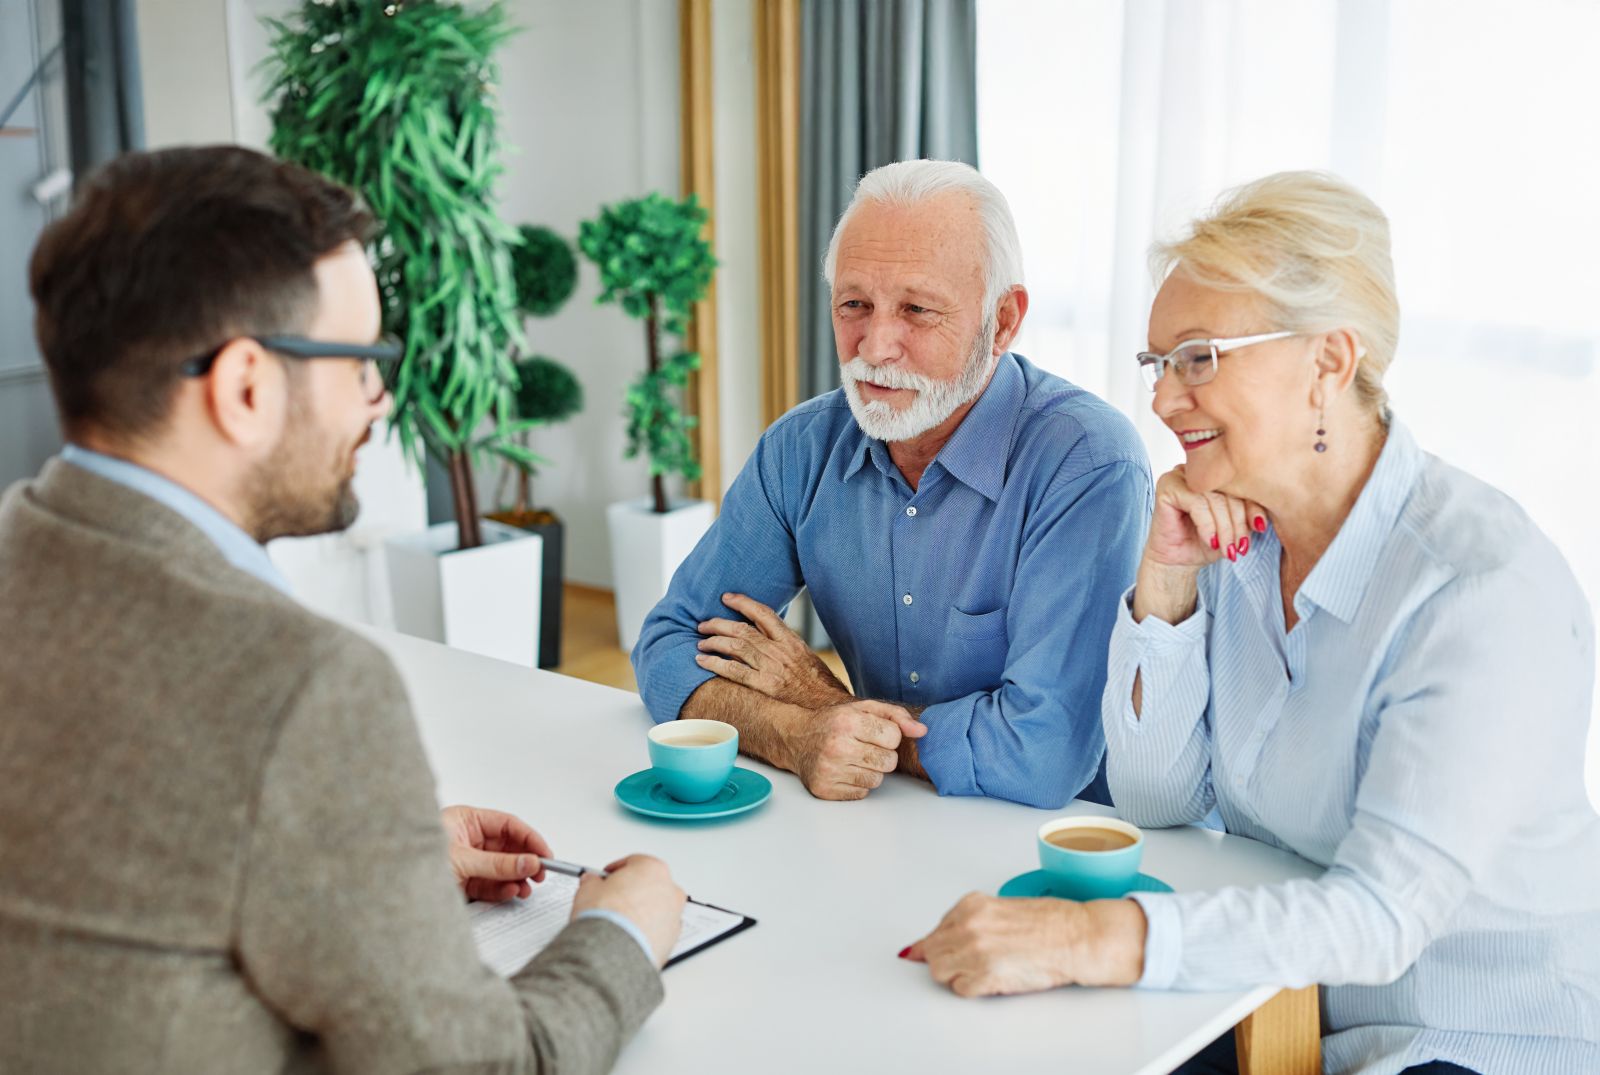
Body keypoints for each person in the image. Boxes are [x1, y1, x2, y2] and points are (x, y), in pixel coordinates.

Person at [0, 145, 687, 1074]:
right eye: (361, 360)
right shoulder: (301, 684)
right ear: (246, 387)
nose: (381, 396)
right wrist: (620, 932)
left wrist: (362, 856)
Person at [901, 171, 1600, 1075]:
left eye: (1199, 356)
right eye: (1157, 364)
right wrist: (1165, 585)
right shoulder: (1236, 534)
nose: (1160, 400)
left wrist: (1086, 940)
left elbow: (1382, 919)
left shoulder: (1480, 588)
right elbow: (1157, 802)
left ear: (1330, 362)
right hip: (1276, 1006)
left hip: (1478, 1040)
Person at [632, 160, 1151, 808]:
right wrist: (795, 730)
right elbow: (668, 645)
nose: (875, 346)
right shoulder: (802, 448)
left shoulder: (1088, 464)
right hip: (880, 820)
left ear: (1005, 320)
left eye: (917, 309)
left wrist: (831, 707)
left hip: (1064, 848)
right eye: (855, 304)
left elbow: (1040, 756)